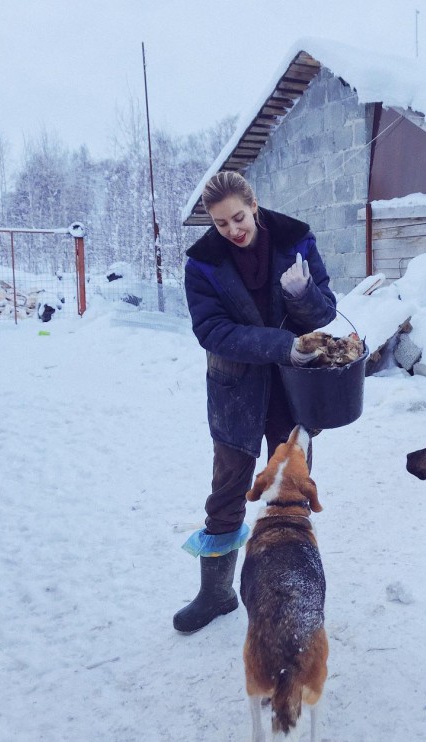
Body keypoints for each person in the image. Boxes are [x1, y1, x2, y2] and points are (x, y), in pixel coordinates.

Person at [173, 171, 337, 633]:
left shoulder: (297, 240)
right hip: (235, 394)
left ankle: (290, 589)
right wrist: (282, 345)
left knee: (290, 493)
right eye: (221, 223)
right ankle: (216, 594)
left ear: (255, 205)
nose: (233, 230)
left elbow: (326, 313)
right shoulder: (203, 263)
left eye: (239, 218)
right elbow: (213, 331)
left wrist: (302, 295)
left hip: (293, 392)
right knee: (227, 493)